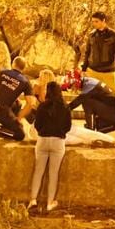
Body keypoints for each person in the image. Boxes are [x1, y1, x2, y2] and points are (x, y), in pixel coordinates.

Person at [27, 69, 115, 148]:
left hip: (49, 130)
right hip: (49, 130)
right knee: (80, 134)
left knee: (78, 135)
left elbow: (33, 117)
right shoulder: (50, 93)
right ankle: (112, 142)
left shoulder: (41, 94)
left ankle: (109, 142)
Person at [28, 82, 72, 212]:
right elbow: (67, 127)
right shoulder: (65, 107)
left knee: (38, 171)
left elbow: (37, 125)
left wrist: (43, 131)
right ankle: (49, 203)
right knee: (53, 174)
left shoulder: (42, 106)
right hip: (58, 142)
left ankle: (33, 200)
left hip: (42, 141)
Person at [62, 69, 115, 140]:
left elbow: (75, 103)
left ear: (76, 82)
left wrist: (62, 110)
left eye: (72, 86)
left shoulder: (89, 86)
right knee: (98, 128)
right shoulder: (87, 82)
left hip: (113, 113)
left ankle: (91, 130)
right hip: (113, 112)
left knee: (87, 102)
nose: (71, 88)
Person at [0, 56, 36, 142]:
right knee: (20, 135)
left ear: (13, 64)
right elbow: (31, 103)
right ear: (24, 68)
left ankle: (8, 128)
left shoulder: (2, 73)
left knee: (18, 104)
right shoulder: (25, 81)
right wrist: (19, 118)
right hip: (0, 110)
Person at [81, 11, 115, 96]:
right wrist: (84, 69)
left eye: (96, 21)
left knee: (113, 98)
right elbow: (87, 52)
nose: (94, 24)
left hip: (109, 72)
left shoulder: (113, 35)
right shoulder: (91, 35)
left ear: (103, 21)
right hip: (93, 71)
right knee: (92, 98)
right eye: (93, 21)